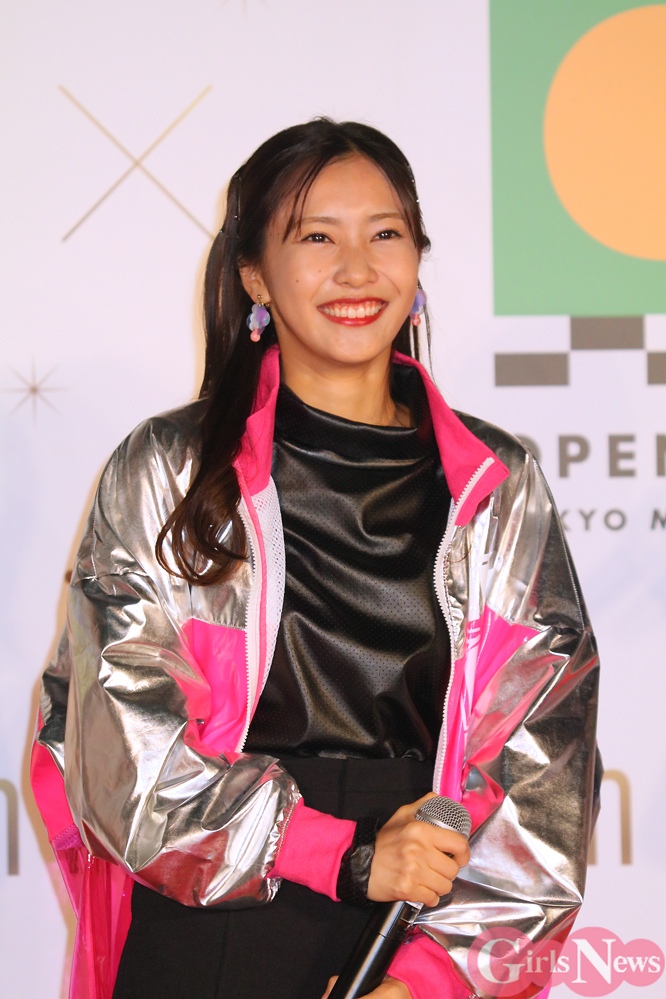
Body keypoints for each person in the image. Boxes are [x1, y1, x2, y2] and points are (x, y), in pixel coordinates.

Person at [31, 119, 600, 999]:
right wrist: (343, 853)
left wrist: (427, 982)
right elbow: (118, 751)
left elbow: (544, 768)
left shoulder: (497, 483)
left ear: (417, 258)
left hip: (416, 919)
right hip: (213, 910)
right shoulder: (171, 471)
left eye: (385, 234)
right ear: (254, 275)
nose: (357, 270)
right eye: (316, 238)